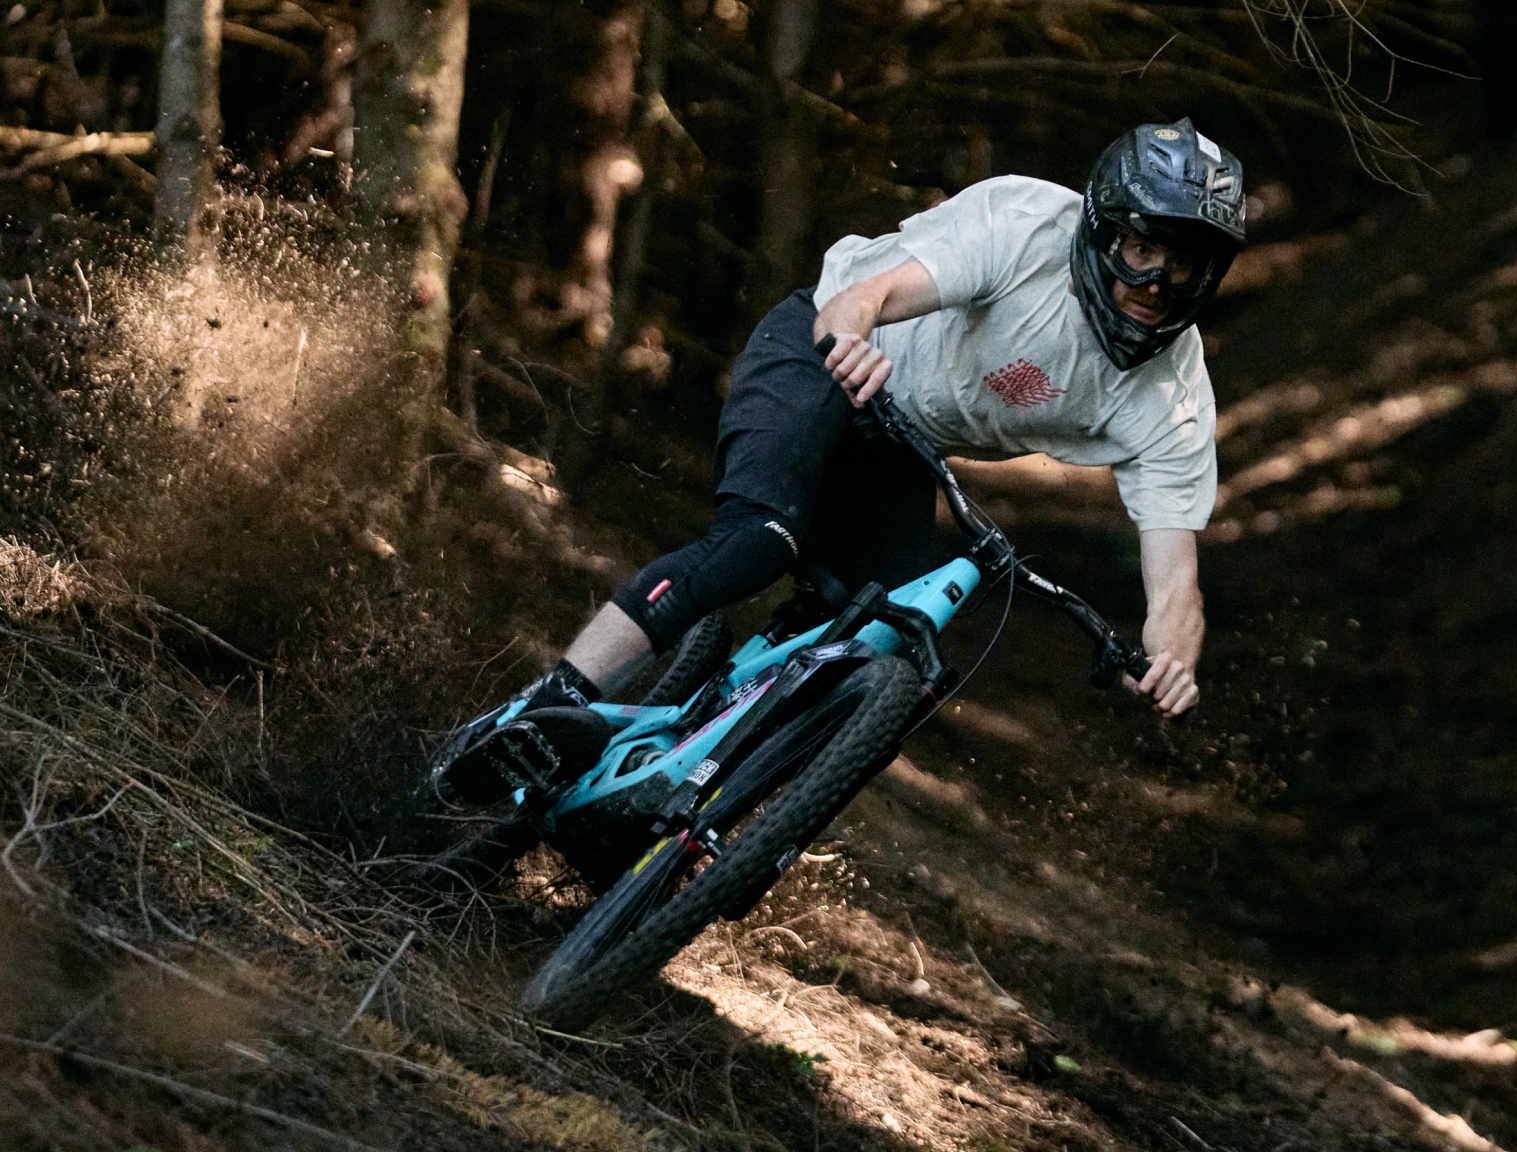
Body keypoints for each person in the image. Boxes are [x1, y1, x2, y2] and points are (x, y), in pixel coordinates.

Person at [438, 117, 1245, 803]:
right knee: (760, 539)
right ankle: (543, 704)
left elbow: (1176, 580)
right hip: (824, 350)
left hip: (903, 443)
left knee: (882, 642)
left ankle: (680, 813)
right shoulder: (1024, 228)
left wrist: (1170, 659)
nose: (1159, 284)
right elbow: (864, 300)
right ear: (1103, 230)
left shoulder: (1173, 393)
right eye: (1145, 251)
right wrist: (851, 344)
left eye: (1187, 267)